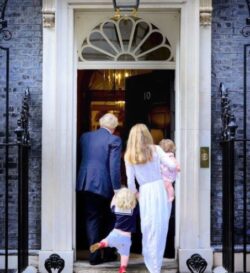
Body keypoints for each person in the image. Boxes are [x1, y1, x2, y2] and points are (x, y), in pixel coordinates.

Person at [124, 124, 177, 273]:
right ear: (147, 135)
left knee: (147, 227)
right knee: (160, 227)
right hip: (159, 189)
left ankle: (149, 259)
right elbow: (172, 166)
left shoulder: (129, 155)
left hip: (145, 191)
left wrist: (136, 195)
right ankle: (156, 265)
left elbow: (130, 181)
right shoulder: (157, 149)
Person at [76, 112, 122, 265]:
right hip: (105, 185)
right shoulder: (114, 139)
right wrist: (117, 190)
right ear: (114, 127)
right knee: (110, 219)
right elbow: (114, 167)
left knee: (92, 219)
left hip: (85, 183)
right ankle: (108, 253)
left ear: (100, 124)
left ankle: (94, 256)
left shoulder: (85, 137)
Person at [90, 187, 139, 273]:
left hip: (115, 233)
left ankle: (101, 244)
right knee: (124, 255)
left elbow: (112, 204)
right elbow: (139, 204)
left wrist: (115, 196)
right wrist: (136, 195)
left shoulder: (116, 209)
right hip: (126, 238)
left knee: (107, 241)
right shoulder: (133, 210)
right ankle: (122, 269)